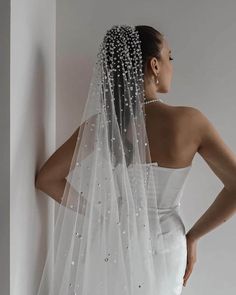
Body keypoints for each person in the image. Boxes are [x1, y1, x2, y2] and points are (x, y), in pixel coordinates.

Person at [35, 25, 236, 295]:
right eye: (169, 57)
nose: (171, 66)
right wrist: (193, 237)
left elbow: (47, 179)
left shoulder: (106, 124)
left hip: (116, 240)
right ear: (154, 64)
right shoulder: (190, 122)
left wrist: (101, 214)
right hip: (166, 244)